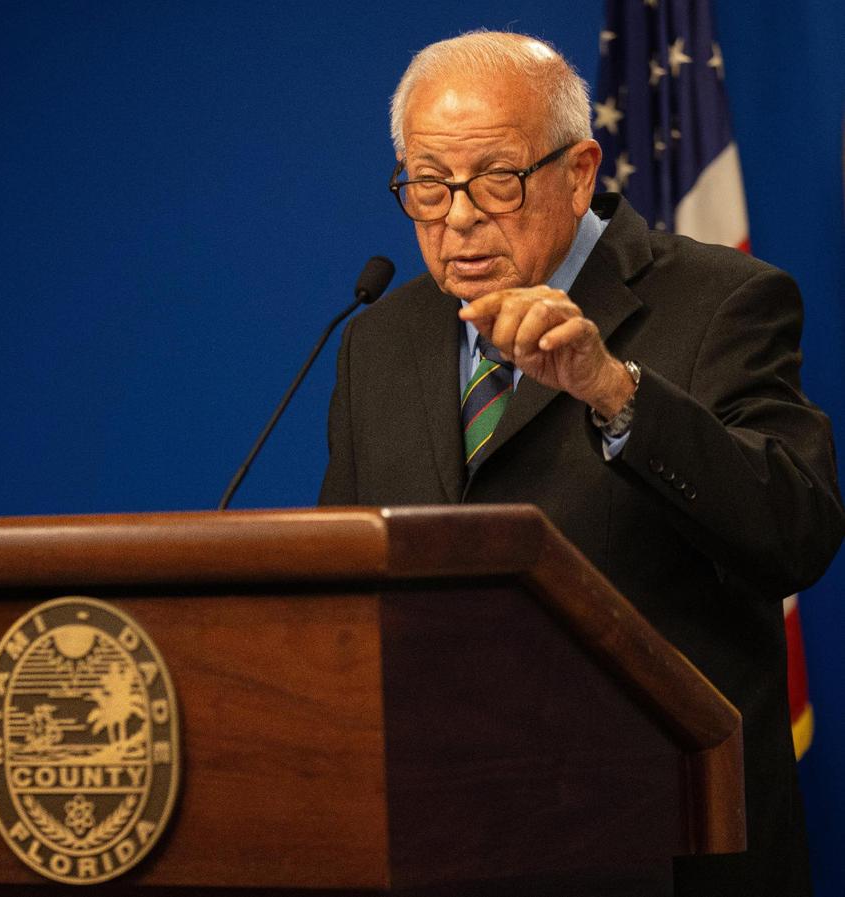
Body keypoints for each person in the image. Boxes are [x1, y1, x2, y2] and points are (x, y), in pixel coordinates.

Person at [319, 30, 844, 896]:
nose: (457, 217)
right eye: (428, 183)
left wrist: (615, 390)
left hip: (663, 842)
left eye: (497, 177)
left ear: (578, 170)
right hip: (443, 842)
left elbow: (798, 530)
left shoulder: (723, 300)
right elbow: (342, 583)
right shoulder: (380, 339)